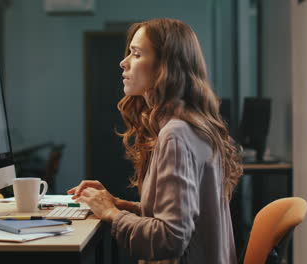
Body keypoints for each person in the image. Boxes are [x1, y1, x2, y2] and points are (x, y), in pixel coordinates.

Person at [68, 18, 243, 264]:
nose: (123, 62)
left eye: (136, 54)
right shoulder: (192, 125)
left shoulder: (175, 134)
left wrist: (111, 213)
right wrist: (118, 205)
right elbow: (179, 217)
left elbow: (170, 239)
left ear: (165, 67)